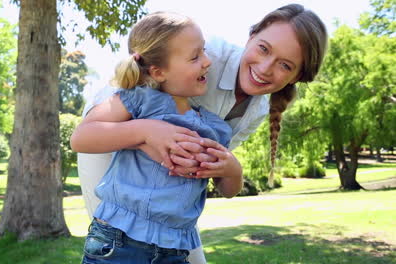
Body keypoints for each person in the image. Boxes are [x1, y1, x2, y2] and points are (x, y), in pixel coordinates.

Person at [74, 3, 328, 263]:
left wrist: (227, 169)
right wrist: (146, 133)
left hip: (171, 200)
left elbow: (214, 170)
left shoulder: (258, 110)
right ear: (252, 35)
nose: (264, 68)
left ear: (298, 76)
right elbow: (101, 118)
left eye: (285, 65)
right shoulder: (202, 53)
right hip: (111, 150)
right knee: (123, 242)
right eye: (263, 48)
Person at [71, 11, 241, 264]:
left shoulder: (214, 128)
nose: (207, 62)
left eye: (204, 52)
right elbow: (81, 138)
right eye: (195, 56)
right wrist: (144, 130)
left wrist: (233, 170)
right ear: (158, 72)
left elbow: (227, 190)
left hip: (174, 251)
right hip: (119, 241)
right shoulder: (140, 101)